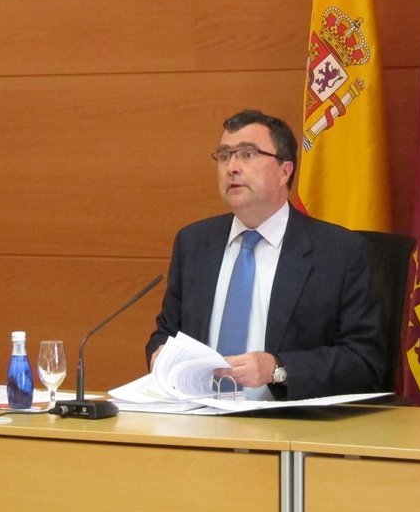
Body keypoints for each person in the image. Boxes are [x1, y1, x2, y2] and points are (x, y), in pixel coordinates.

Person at [146, 109, 385, 400]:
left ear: (285, 171)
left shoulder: (340, 253)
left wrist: (278, 368)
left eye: (247, 154)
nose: (232, 167)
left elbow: (365, 361)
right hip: (201, 416)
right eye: (224, 155)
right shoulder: (194, 244)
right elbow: (166, 334)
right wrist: (160, 356)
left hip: (290, 420)